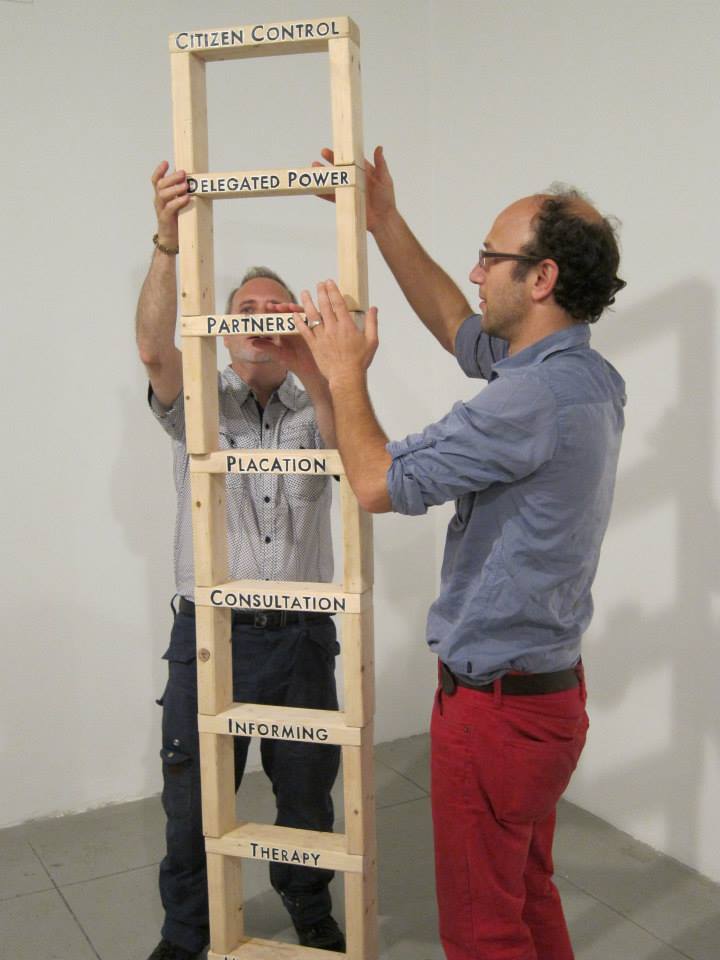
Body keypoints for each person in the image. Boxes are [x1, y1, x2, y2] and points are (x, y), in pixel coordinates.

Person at [295, 146, 627, 960]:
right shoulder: (582, 373)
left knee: (483, 933)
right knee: (526, 895)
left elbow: (375, 483)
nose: (476, 273)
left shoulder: (528, 401)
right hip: (545, 700)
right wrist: (384, 221)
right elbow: (457, 326)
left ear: (541, 277)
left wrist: (342, 374)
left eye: (490, 256)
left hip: (497, 715)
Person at [135, 161, 345, 960]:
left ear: (293, 321)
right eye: (245, 310)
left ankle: (307, 906)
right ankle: (187, 934)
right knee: (193, 804)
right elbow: (154, 351)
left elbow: (356, 451)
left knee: (305, 799)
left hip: (300, 636)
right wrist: (166, 240)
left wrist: (316, 365)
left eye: (275, 308)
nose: (260, 318)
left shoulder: (322, 399)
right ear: (222, 327)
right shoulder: (197, 401)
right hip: (209, 635)